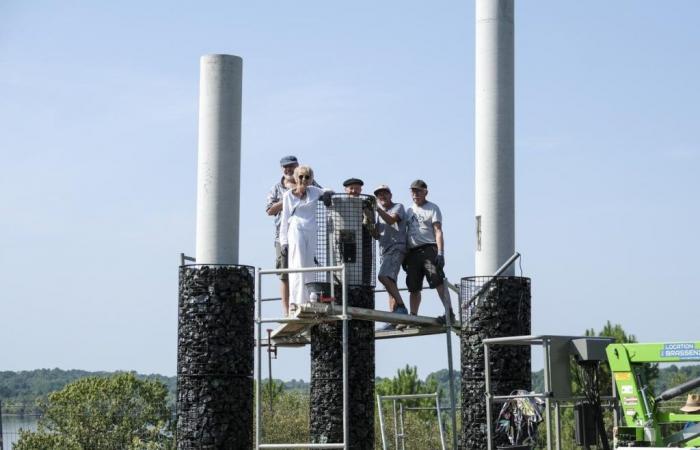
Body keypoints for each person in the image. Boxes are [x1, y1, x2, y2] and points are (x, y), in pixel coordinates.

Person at [279, 166, 331, 312]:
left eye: (307, 177)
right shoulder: (288, 195)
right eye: (301, 176)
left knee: (309, 263)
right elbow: (284, 220)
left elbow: (327, 190)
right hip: (296, 229)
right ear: (296, 178)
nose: (303, 180)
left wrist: (327, 194)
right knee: (298, 264)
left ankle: (310, 298)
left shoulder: (314, 191)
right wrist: (284, 242)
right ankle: (295, 302)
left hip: (311, 229)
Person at [404, 179, 454, 324]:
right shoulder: (408, 210)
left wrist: (441, 253)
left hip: (428, 250)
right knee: (413, 286)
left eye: (418, 191)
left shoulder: (433, 208)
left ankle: (449, 313)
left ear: (426, 192)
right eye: (413, 191)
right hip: (412, 252)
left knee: (437, 280)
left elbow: (438, 231)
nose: (415, 194)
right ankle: (413, 316)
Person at [265, 155, 299, 316]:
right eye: (286, 167)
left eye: (291, 166)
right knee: (284, 274)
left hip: (303, 235)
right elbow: (269, 210)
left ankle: (299, 305)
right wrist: (288, 198)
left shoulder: (307, 182)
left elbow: (322, 194)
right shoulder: (276, 188)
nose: (289, 170)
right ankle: (286, 311)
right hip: (282, 237)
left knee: (302, 271)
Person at [372, 185, 409, 331]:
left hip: (396, 247)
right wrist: (368, 219)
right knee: (389, 285)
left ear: (390, 195)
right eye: (379, 195)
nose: (382, 196)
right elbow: (376, 235)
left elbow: (391, 220)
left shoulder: (398, 207)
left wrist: (377, 210)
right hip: (384, 251)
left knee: (384, 277)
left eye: (384, 193)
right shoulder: (378, 214)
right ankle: (394, 318)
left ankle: (401, 308)